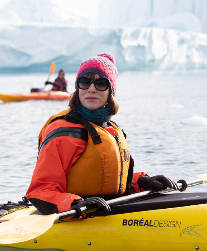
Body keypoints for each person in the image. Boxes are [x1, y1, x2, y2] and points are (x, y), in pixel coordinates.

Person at [26, 53, 177, 217]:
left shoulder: (112, 130)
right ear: (78, 88)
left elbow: (108, 181)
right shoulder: (64, 133)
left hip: (106, 209)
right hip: (74, 216)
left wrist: (143, 182)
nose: (91, 89)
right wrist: (77, 204)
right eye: (85, 82)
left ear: (110, 91)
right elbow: (40, 191)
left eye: (100, 83)